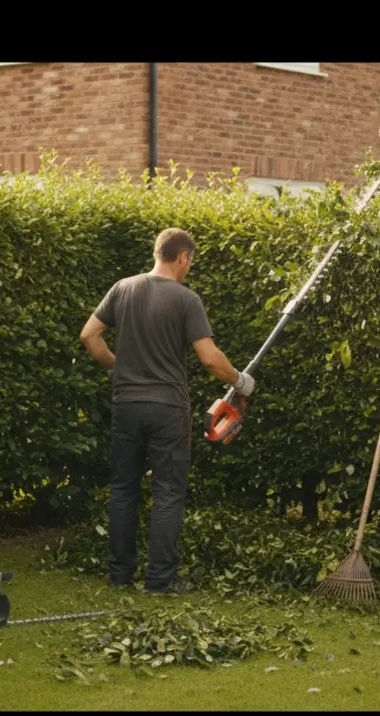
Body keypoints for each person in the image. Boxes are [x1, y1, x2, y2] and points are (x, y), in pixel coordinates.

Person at [79, 227, 256, 594]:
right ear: (183, 257)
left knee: (124, 488)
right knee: (168, 491)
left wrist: (117, 367)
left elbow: (89, 336)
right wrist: (241, 381)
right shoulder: (185, 299)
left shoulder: (122, 288)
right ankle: (159, 580)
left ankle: (120, 575)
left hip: (126, 406)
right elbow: (209, 359)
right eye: (191, 261)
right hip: (167, 408)